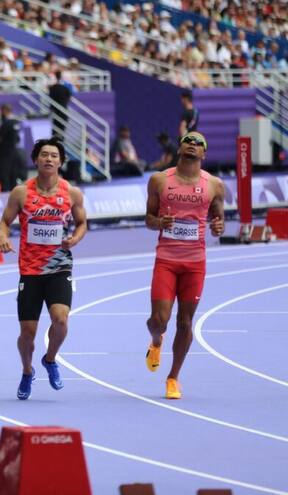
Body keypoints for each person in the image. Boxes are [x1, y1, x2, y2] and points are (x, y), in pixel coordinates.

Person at [0, 138, 88, 400]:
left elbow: (82, 224)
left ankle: (50, 359)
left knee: (61, 320)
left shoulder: (71, 193)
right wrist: (3, 237)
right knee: (28, 334)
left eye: (54, 155)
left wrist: (75, 239)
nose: (49, 159)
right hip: (30, 271)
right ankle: (27, 371)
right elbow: (4, 222)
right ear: (36, 160)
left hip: (59, 266)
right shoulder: (21, 193)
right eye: (44, 155)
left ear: (60, 161)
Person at [143, 131, 225, 399]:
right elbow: (148, 218)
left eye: (199, 143)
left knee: (185, 322)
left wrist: (218, 226)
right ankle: (156, 342)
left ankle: (173, 377)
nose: (193, 144)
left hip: (195, 263)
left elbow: (218, 221)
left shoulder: (214, 185)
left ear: (204, 153)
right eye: (188, 140)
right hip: (166, 259)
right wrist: (159, 223)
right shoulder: (159, 180)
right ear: (179, 148)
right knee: (159, 320)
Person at [0, 104, 22, 192]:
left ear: (4, 111)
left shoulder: (6, 123)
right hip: (14, 153)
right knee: (13, 175)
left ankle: (4, 194)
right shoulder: (16, 122)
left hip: (4, 154)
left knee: (3, 175)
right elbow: (17, 139)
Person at [48, 71, 74, 141]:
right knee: (61, 131)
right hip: (63, 111)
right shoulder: (65, 88)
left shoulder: (52, 88)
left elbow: (50, 98)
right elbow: (69, 97)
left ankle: (56, 143)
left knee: (55, 131)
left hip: (56, 112)